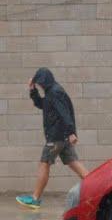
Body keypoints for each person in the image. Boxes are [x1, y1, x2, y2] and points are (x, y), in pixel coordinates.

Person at [16, 68, 89, 209]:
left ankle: (35, 198)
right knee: (74, 163)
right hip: (62, 137)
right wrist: (32, 90)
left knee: (44, 163)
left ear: (45, 80)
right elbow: (42, 105)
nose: (40, 85)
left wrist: (71, 132)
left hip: (56, 137)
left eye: (40, 83)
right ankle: (99, 188)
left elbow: (65, 113)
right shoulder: (52, 92)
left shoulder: (55, 92)